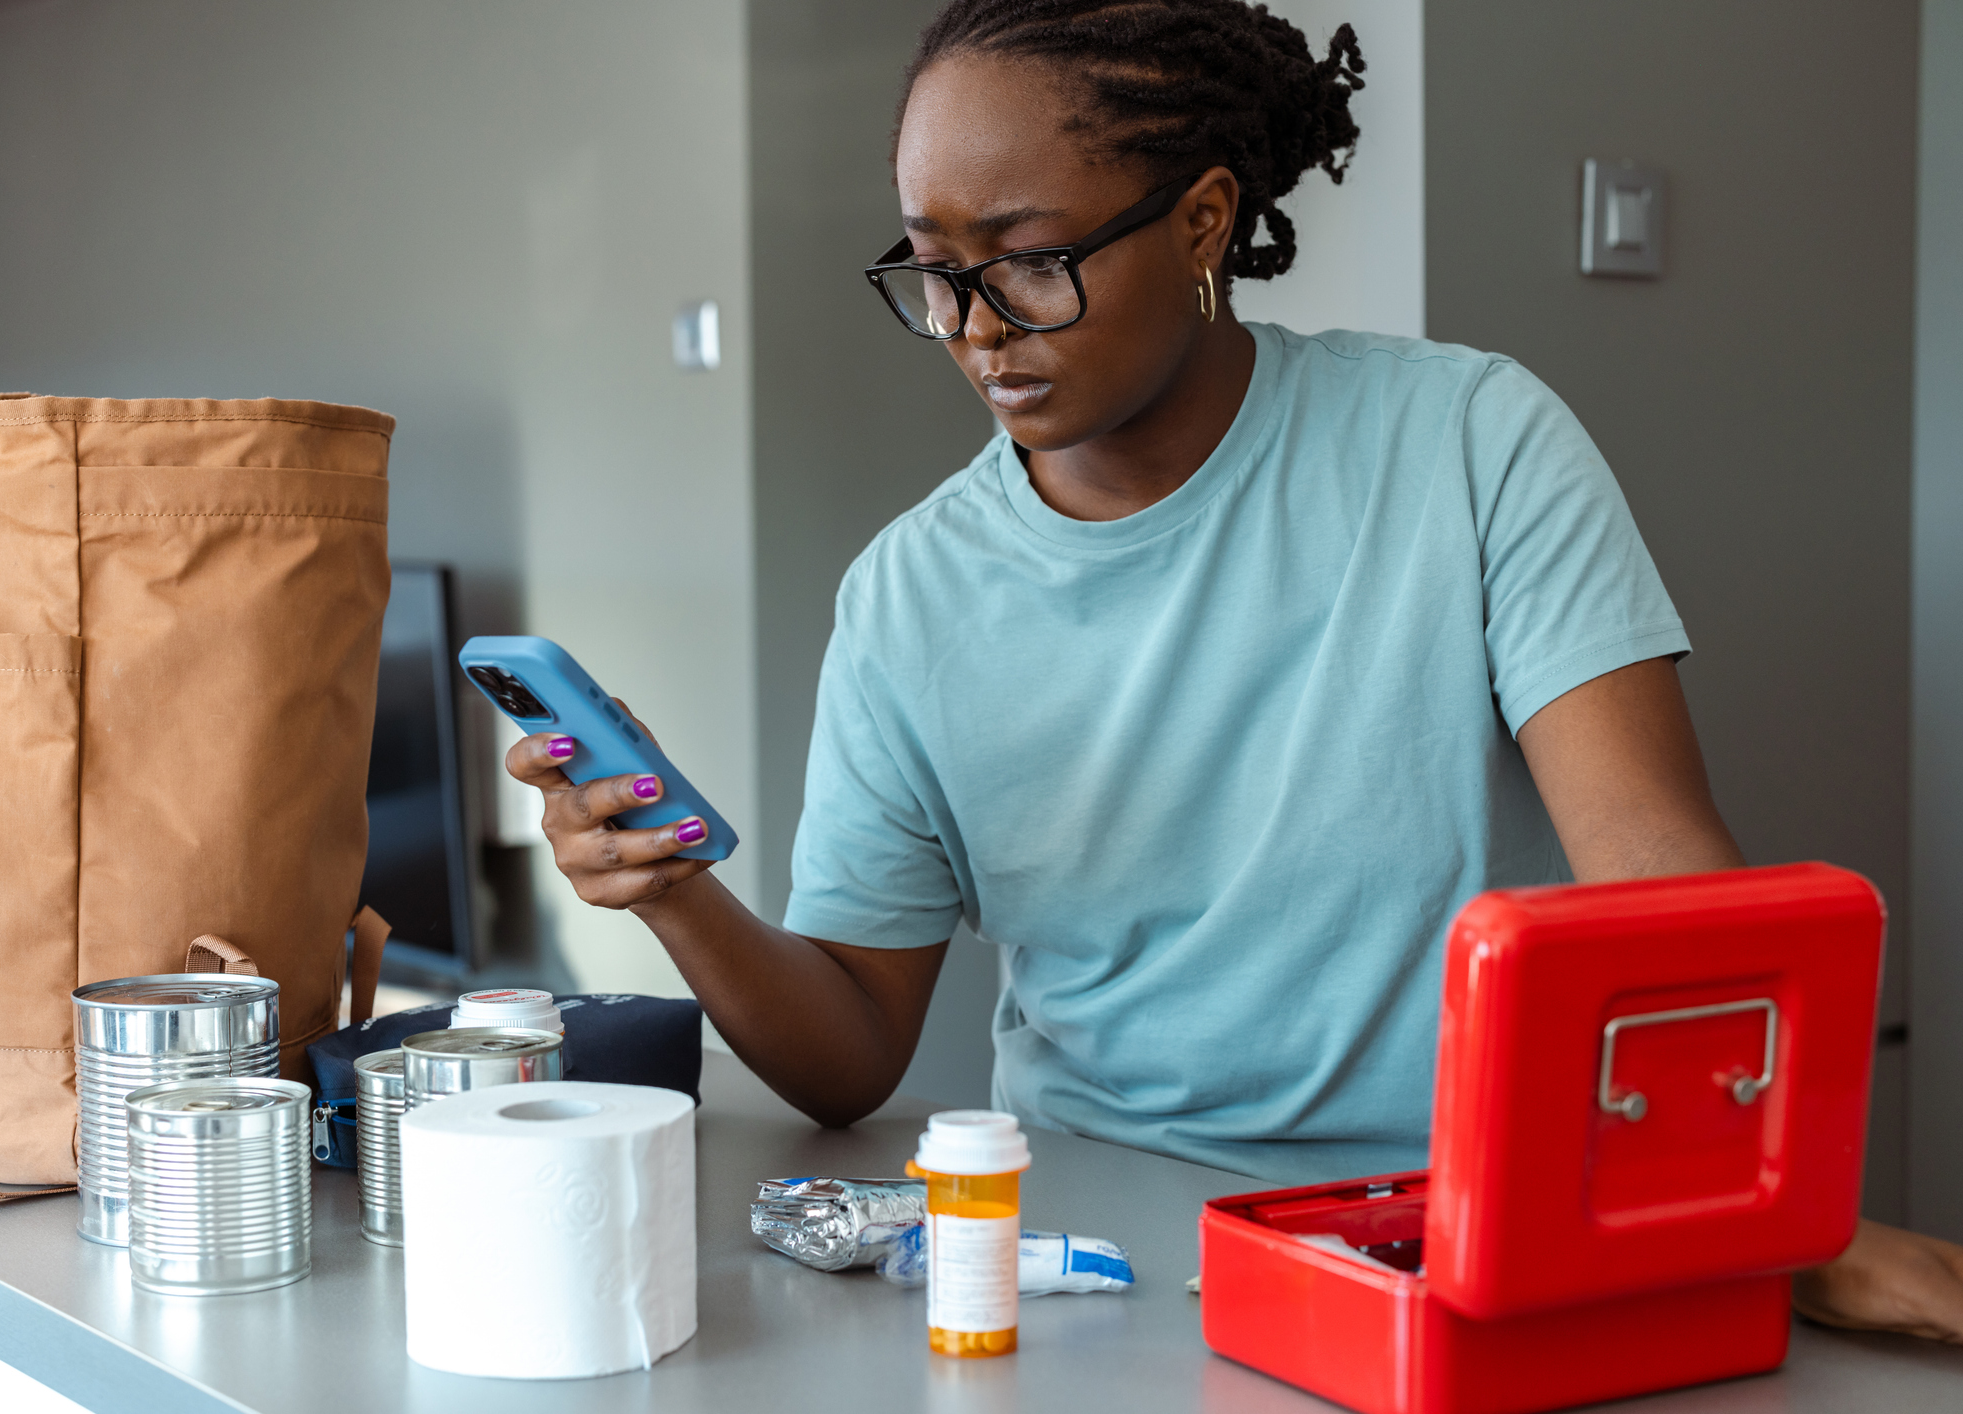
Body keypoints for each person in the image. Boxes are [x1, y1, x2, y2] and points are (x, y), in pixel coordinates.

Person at [508, 0, 1963, 1345]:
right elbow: (847, 1053)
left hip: (1467, 1234)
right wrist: (673, 885)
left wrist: (1767, 1221)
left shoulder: (1471, 444)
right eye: (935, 272)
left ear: (1203, 221)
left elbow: (1653, 867)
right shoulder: (910, 594)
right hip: (1100, 1256)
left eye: (1029, 259)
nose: (972, 329)